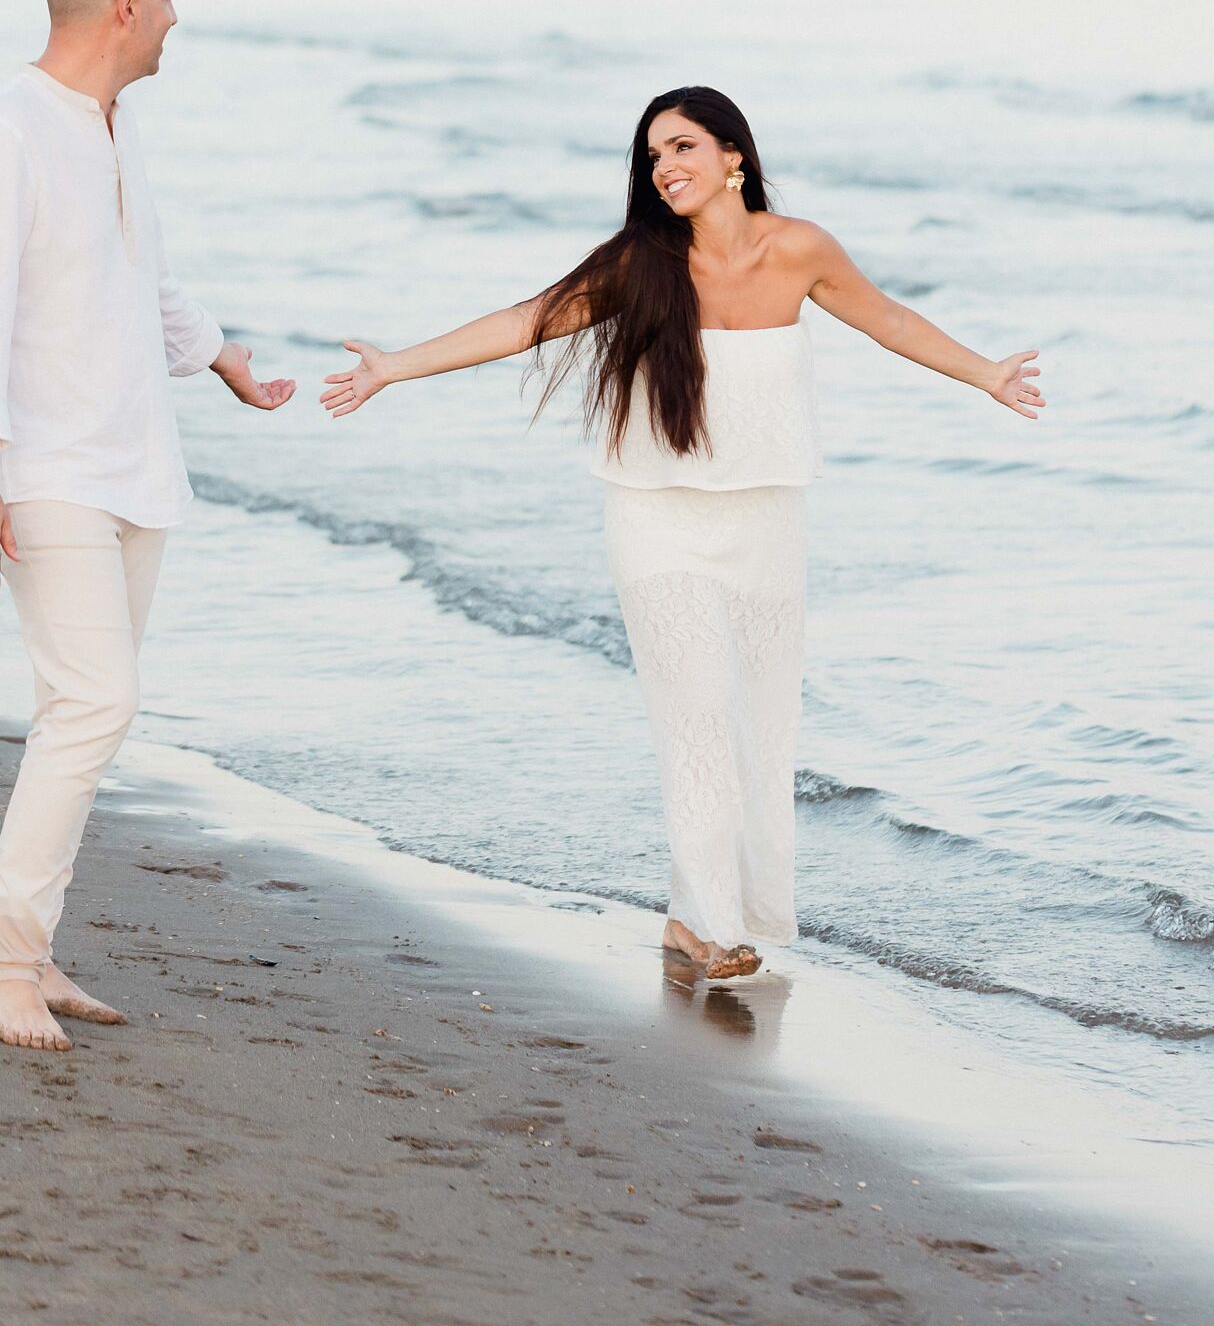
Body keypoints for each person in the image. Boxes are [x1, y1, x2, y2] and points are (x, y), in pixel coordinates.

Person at [320, 85, 1044, 979]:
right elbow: (526, 321)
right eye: (652, 155)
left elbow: (888, 319)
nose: (664, 167)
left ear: (733, 155)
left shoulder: (800, 249)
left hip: (766, 516)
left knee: (759, 724)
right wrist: (395, 366)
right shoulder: (640, 263)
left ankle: (689, 916)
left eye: (682, 147)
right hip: (655, 516)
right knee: (696, 715)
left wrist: (984, 374)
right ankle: (712, 928)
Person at [0, 0, 296, 1053]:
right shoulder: (16, 126)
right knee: (96, 703)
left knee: (83, 716)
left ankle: (33, 947)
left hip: (134, 464)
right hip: (48, 467)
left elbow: (143, 275)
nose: (177, 17)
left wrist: (223, 359)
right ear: (125, 4)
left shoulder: (116, 125)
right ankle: (9, 960)